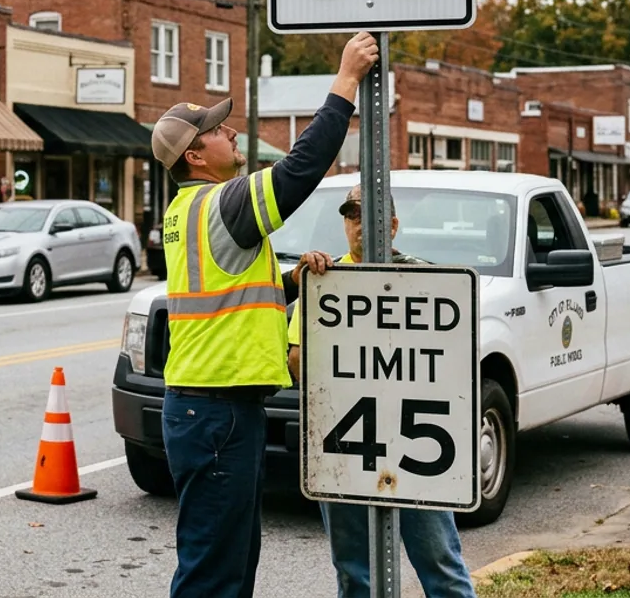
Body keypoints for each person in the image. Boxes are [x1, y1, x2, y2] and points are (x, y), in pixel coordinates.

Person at [155, 31, 379, 598]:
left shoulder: (185, 211)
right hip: (217, 411)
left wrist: (290, 281)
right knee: (214, 573)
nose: (230, 130)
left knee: (228, 561)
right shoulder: (224, 203)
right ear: (195, 155)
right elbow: (302, 169)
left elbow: (228, 294)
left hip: (207, 406)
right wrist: (345, 81)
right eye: (216, 128)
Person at [285, 185, 477, 598]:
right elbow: (298, 361)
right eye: (352, 215)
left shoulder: (425, 280)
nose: (359, 224)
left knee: (441, 565)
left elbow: (452, 370)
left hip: (416, 448)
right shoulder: (325, 282)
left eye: (369, 215)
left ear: (392, 226)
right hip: (346, 448)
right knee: (355, 574)